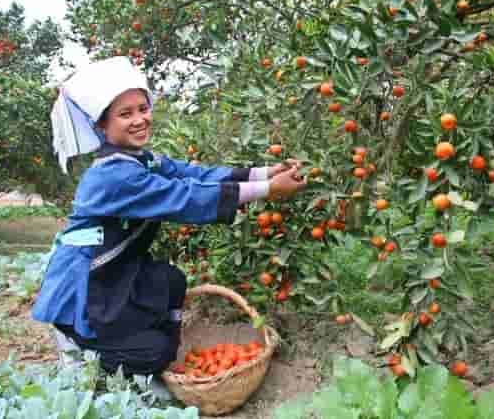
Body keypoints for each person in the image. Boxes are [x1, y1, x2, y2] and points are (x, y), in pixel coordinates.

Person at [31, 57, 306, 381]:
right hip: (87, 283)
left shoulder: (140, 160)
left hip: (115, 271)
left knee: (170, 281)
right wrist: (267, 190)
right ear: (102, 126)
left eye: (142, 109)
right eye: (125, 113)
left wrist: (262, 174)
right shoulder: (113, 176)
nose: (139, 119)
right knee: (154, 352)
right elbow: (185, 198)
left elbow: (193, 175)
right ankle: (81, 350)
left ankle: (138, 346)